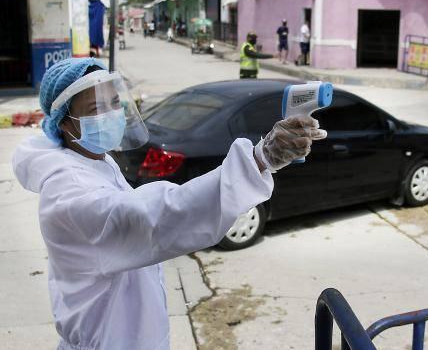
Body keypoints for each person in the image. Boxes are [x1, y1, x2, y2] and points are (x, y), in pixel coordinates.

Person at [12, 57, 327, 350]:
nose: (111, 114)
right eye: (96, 108)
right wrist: (260, 159)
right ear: (65, 123)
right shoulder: (69, 195)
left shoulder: (93, 160)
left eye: (115, 102)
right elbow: (153, 217)